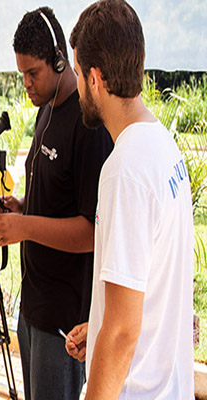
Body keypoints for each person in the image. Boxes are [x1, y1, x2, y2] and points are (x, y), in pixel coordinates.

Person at [64, 1, 194, 398]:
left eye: (78, 75)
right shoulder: (163, 146)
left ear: (96, 78)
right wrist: (99, 323)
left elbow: (122, 332)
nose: (78, 87)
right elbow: (145, 289)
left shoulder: (125, 169)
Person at [0, 7, 113, 400]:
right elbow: (56, 197)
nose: (26, 83)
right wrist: (24, 206)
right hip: (33, 305)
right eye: (21, 73)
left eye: (33, 72)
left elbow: (92, 231)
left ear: (60, 60)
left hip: (64, 319)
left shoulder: (88, 124)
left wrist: (23, 229)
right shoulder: (45, 110)